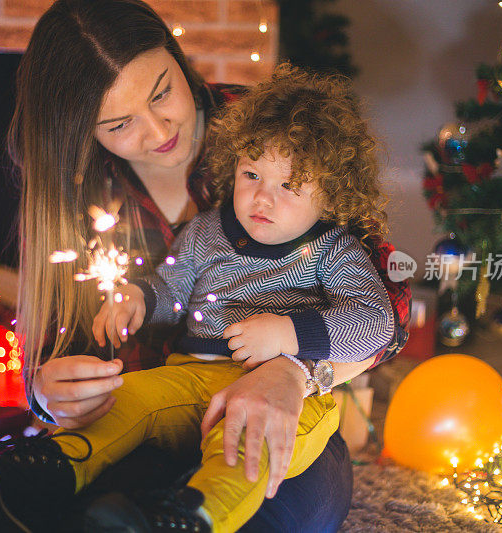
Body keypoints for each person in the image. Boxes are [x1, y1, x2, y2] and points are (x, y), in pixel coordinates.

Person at [0, 1, 411, 532]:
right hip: (163, 397)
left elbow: (385, 314)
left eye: (162, 92)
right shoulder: (83, 194)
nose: (158, 128)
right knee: (107, 487)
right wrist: (50, 392)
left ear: (177, 55)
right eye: (119, 123)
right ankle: (39, 484)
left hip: (283, 399)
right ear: (82, 131)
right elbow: (147, 298)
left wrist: (295, 369)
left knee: (275, 493)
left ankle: (193, 517)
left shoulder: (270, 130)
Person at [66, 62, 395, 533]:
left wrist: (290, 339)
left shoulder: (331, 248)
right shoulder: (207, 230)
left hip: (280, 391)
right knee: (124, 404)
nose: (262, 199)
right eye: (252, 175)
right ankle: (49, 466)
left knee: (252, 457)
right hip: (184, 378)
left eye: (289, 185)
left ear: (330, 195)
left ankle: (191, 517)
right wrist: (139, 296)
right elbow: (172, 287)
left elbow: (376, 320)